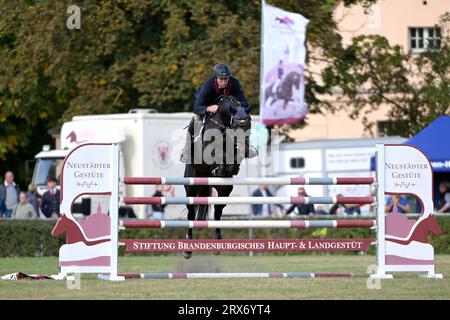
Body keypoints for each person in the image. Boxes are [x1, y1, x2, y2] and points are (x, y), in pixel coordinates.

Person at [180, 62, 257, 163]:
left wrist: (237, 104)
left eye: (226, 79)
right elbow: (196, 107)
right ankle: (187, 149)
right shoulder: (208, 85)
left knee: (244, 114)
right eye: (221, 79)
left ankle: (247, 144)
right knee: (197, 117)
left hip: (227, 108)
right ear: (216, 77)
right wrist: (208, 108)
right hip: (208, 104)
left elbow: (245, 103)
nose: (224, 82)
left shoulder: (234, 83)